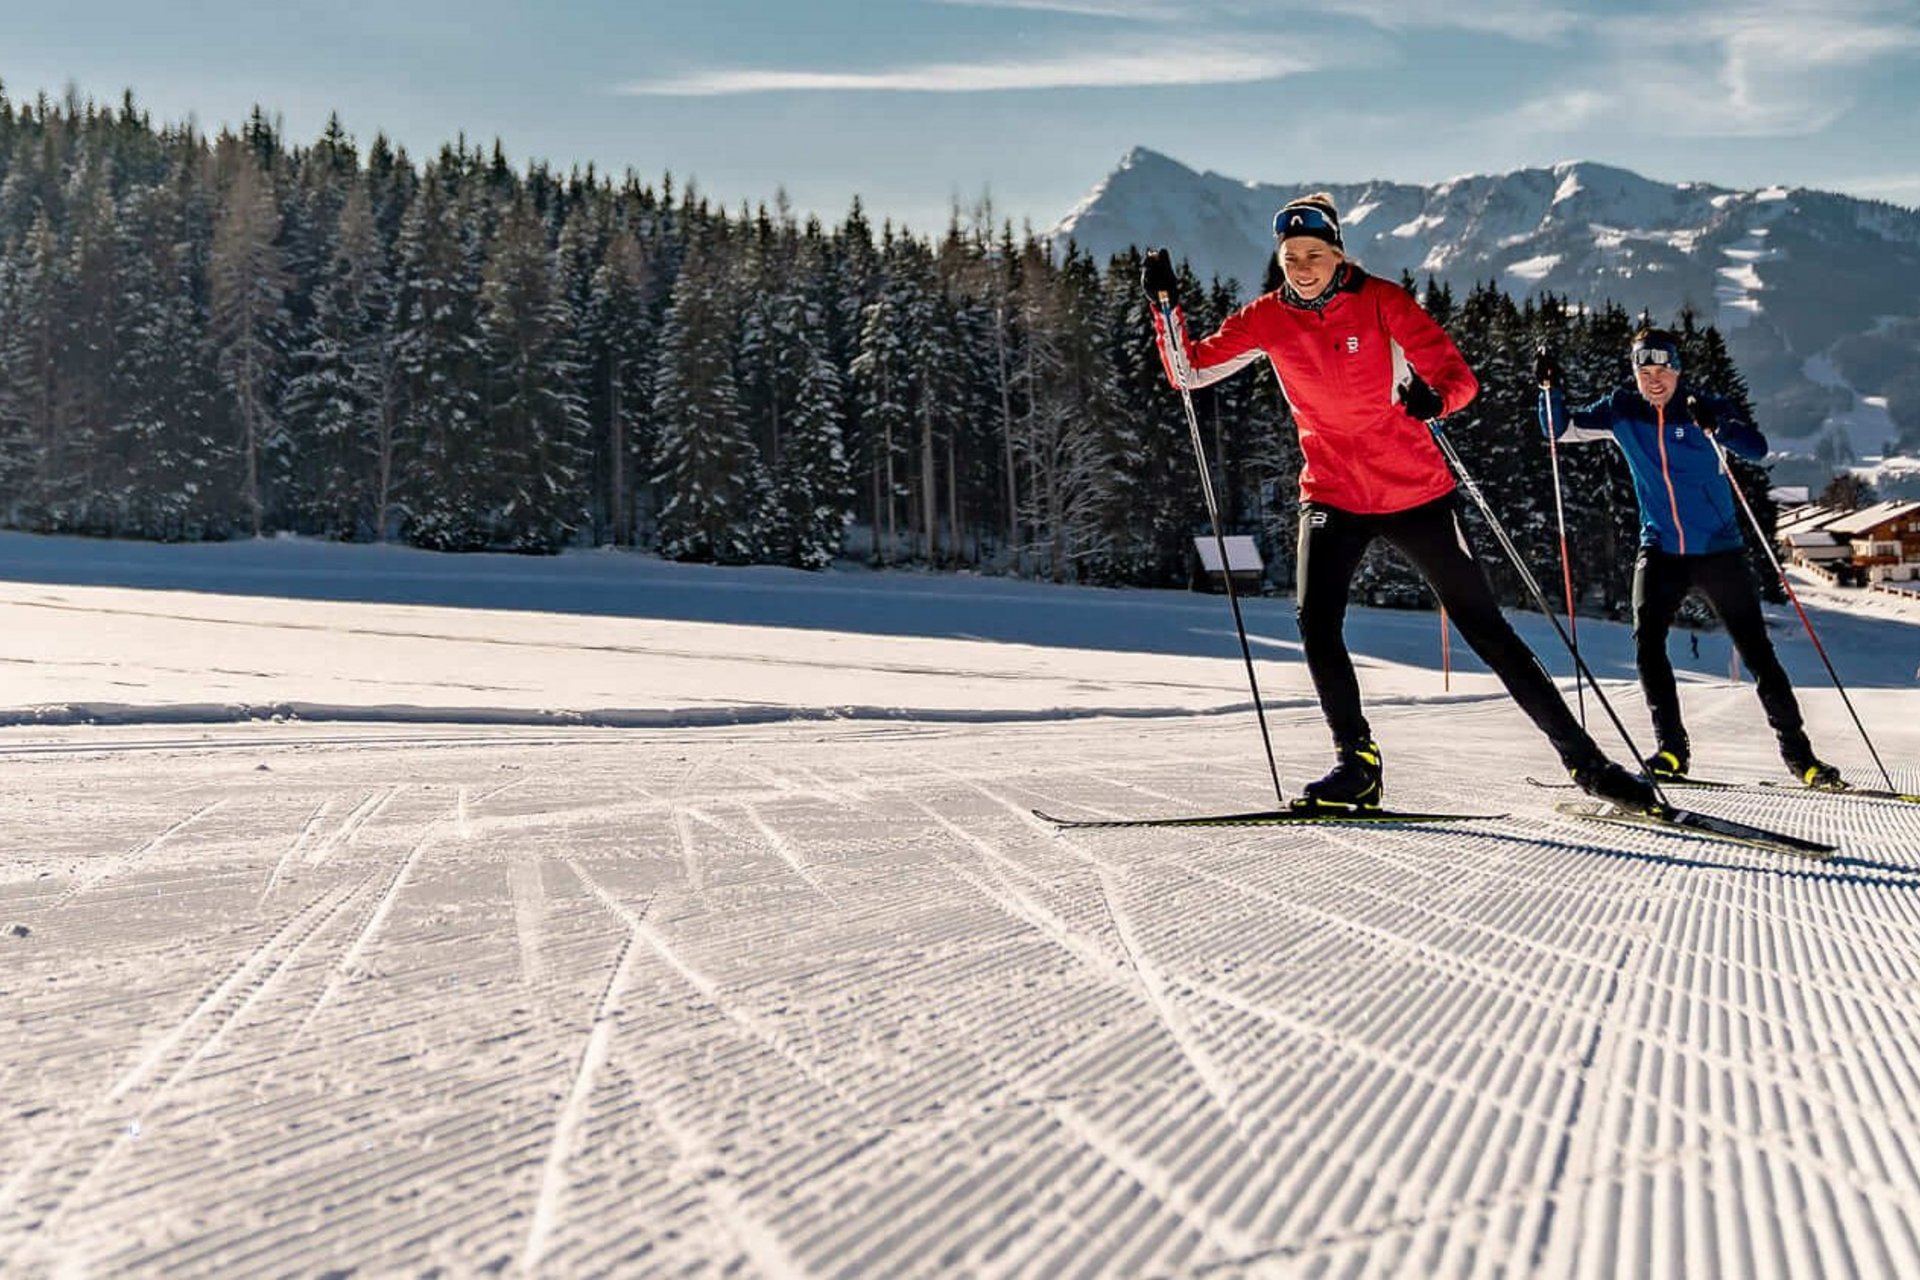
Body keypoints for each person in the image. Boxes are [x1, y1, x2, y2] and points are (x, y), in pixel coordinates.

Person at [1141, 193, 1655, 812]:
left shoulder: (1383, 301)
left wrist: (1434, 401)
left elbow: (1458, 377)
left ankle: (1587, 763)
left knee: (1485, 629)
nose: (1302, 267)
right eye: (1290, 256)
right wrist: (1164, 307)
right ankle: (1356, 764)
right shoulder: (1267, 317)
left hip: (1415, 491)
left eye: (1314, 254)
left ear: (1337, 254)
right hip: (1331, 491)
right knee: (1317, 622)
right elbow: (1188, 371)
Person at [1534, 328, 1843, 789]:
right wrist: (1550, 390)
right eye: (1644, 371)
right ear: (1635, 373)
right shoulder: (1623, 410)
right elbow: (1558, 430)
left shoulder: (1705, 405)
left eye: (1662, 370)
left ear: (1677, 369)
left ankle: (1802, 758)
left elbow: (1755, 449)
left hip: (1719, 550)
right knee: (1647, 644)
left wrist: (1719, 426)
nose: (1654, 380)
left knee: (1758, 652)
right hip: (1659, 548)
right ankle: (1672, 752)